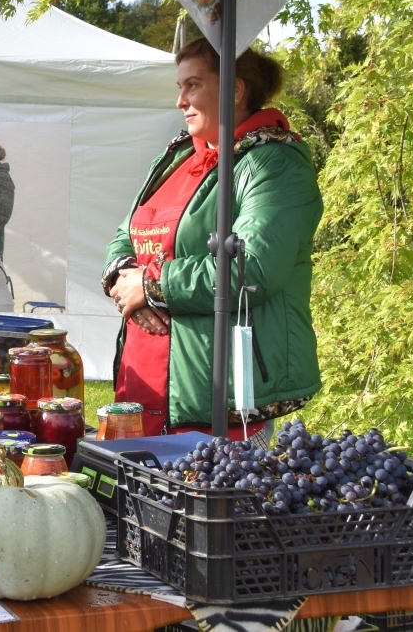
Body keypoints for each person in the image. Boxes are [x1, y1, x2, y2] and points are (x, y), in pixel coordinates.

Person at [103, 38, 322, 442]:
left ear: (235, 90)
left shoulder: (274, 164)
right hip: (143, 382)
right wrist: (124, 285)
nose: (180, 101)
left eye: (193, 86)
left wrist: (151, 286)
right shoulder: (176, 157)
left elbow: (253, 266)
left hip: (215, 392)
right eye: (180, 87)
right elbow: (125, 235)